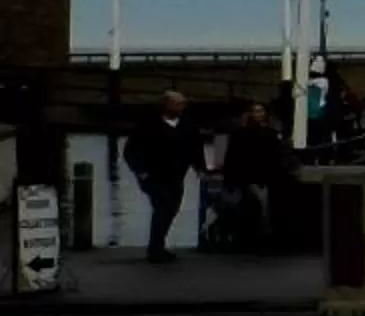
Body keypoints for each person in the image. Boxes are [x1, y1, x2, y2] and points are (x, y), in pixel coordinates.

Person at [123, 89, 206, 262]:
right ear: (166, 104)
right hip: (153, 175)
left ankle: (157, 245)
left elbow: (195, 148)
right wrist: (140, 170)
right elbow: (131, 149)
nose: (181, 107)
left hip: (176, 175)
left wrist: (200, 168)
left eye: (183, 104)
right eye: (177, 104)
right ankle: (155, 249)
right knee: (163, 206)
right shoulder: (148, 124)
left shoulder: (187, 125)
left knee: (171, 209)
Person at [219, 101, 291, 250]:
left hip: (263, 178)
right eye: (254, 111)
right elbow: (232, 157)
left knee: (258, 209)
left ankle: (255, 239)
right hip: (250, 177)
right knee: (257, 209)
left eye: (260, 111)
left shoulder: (269, 134)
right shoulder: (243, 134)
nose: (257, 114)